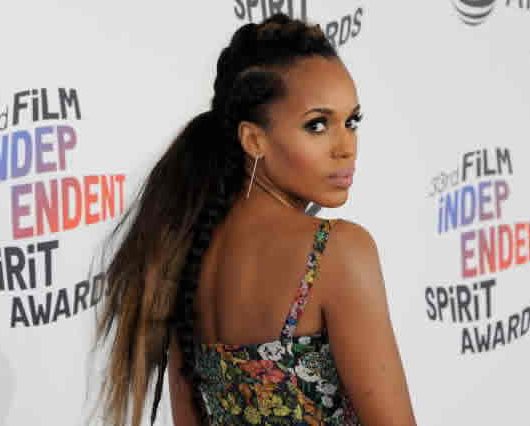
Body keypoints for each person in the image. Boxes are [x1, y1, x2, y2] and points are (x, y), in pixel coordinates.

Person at [90, 12, 417, 426]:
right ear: (253, 139)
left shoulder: (184, 251)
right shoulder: (336, 251)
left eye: (351, 121)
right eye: (317, 125)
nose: (346, 147)